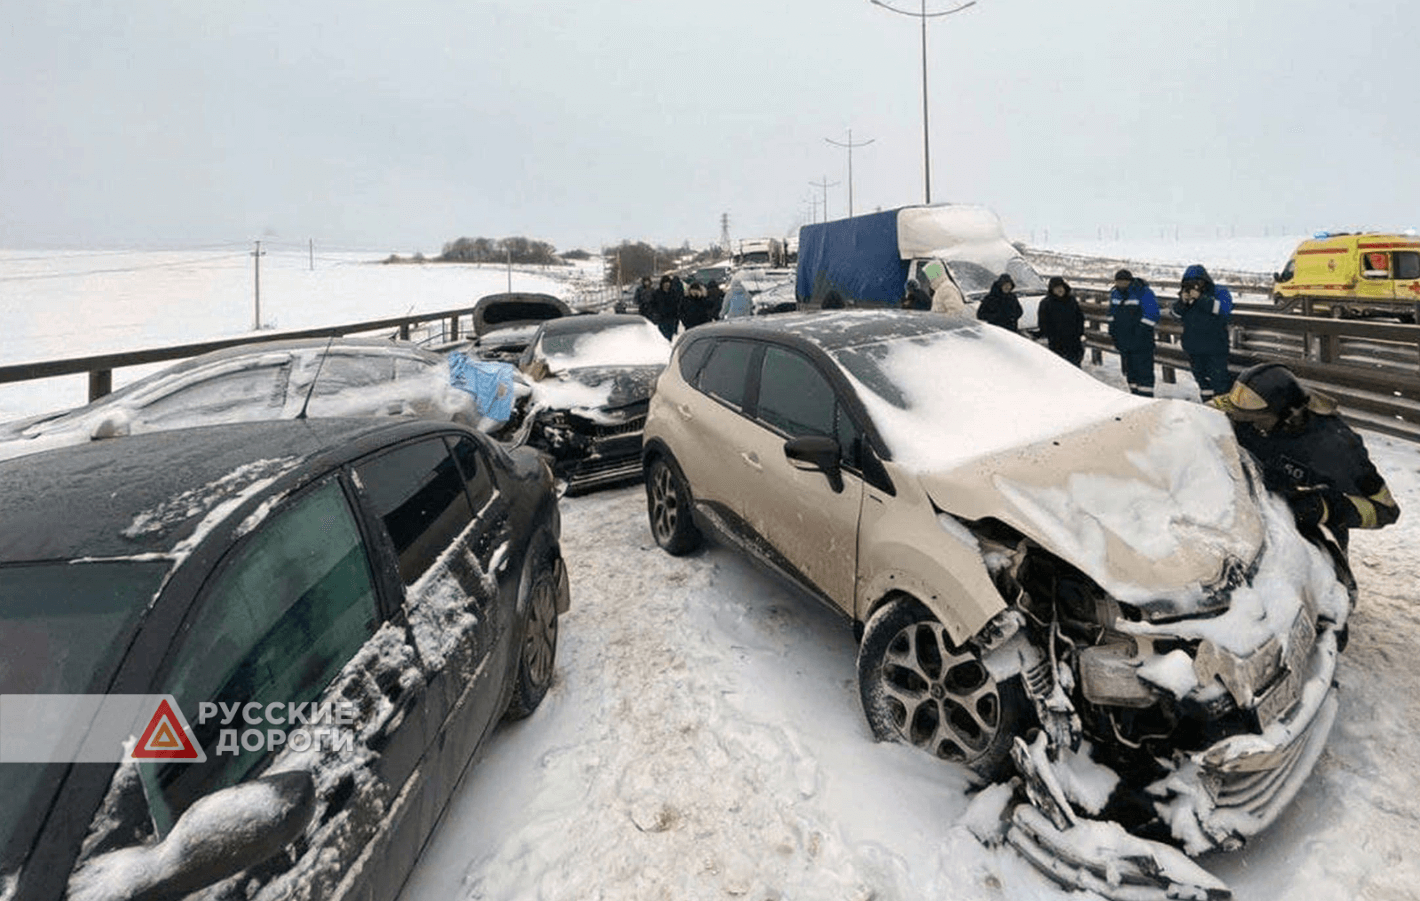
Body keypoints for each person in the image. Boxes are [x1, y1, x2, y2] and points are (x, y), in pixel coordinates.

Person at [1210, 362, 1399, 551]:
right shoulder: (1245, 409)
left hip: (1311, 537)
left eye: (1256, 421)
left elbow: (1386, 510)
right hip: (1246, 516)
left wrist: (1323, 507)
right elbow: (1208, 411)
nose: (1246, 423)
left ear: (1287, 415)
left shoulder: (1336, 448)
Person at [1172, 264, 1234, 402]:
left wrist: (1201, 299)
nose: (1194, 286)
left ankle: (1224, 414)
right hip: (1193, 347)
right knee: (1203, 383)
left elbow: (1224, 310)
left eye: (1197, 283)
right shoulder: (1185, 297)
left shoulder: (1219, 292)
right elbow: (1175, 315)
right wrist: (1182, 302)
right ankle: (1207, 408)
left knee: (1220, 382)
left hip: (1215, 347)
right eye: (1189, 283)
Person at [1107, 269, 1159, 397]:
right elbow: (1111, 313)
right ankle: (1134, 397)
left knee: (1144, 373)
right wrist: (1112, 330)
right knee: (1130, 374)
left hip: (1142, 342)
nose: (1122, 284)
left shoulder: (1143, 292)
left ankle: (1146, 399)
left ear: (1130, 281)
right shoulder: (1115, 293)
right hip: (1124, 342)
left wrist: (1139, 332)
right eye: (1119, 281)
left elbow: (1152, 314)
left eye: (1124, 281)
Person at [1036, 276, 1085, 366]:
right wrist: (1051, 335)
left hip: (1073, 341)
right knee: (1060, 367)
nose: (1059, 290)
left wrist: (1079, 332)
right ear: (1052, 289)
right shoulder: (1046, 303)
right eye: (1056, 288)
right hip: (1057, 343)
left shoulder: (1071, 300)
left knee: (1076, 367)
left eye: (1061, 287)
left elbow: (1080, 317)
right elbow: (1043, 323)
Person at [649, 275, 680, 341]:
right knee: (662, 336)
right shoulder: (657, 293)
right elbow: (652, 304)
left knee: (669, 336)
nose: (667, 285)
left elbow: (678, 304)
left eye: (668, 283)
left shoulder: (673, 293)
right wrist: (655, 313)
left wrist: (677, 315)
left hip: (671, 318)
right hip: (661, 318)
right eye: (665, 283)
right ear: (662, 284)